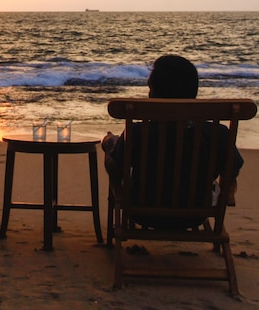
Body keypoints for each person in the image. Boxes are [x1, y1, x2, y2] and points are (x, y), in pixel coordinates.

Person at [102, 55, 243, 229]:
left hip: (142, 212)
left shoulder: (138, 133)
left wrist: (110, 148)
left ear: (153, 93)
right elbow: (233, 166)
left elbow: (116, 169)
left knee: (113, 153)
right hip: (197, 213)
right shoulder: (217, 134)